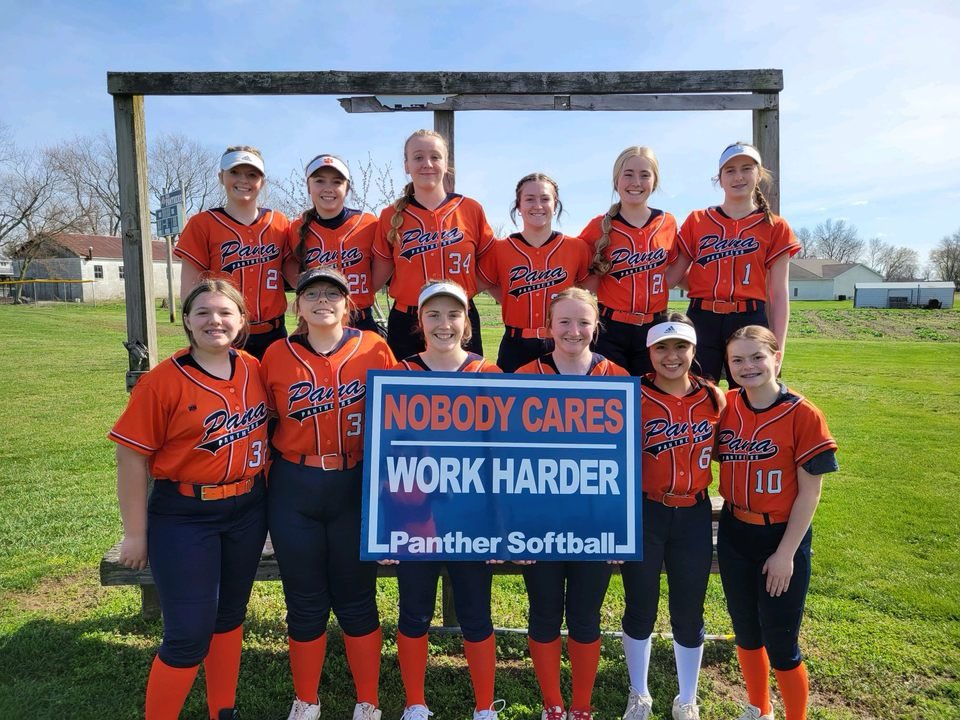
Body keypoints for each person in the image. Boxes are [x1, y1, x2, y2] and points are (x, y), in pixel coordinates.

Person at [109, 279, 269, 720]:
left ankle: (223, 712)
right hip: (184, 514)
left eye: (225, 313)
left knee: (230, 618)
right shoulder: (163, 380)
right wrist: (136, 534)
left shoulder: (255, 368)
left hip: (247, 508)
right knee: (188, 634)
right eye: (202, 313)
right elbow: (130, 458)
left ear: (241, 322)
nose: (214, 321)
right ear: (186, 322)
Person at [259, 267, 396, 720]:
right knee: (304, 598)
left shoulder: (374, 347)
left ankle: (368, 702)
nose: (322, 300)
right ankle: (307, 700)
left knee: (357, 597)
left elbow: (400, 422)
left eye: (333, 293)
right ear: (297, 305)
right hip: (294, 485)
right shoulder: (275, 355)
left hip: (354, 483)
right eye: (312, 292)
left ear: (348, 303)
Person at [389, 280, 504, 720]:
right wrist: (384, 529)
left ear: (468, 323)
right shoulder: (399, 375)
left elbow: (503, 460)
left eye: (454, 314)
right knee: (413, 611)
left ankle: (484, 707)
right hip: (414, 513)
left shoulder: (488, 375)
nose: (444, 324)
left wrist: (499, 526)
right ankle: (416, 704)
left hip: (470, 514)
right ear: (419, 322)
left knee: (476, 612)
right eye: (433, 315)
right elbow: (384, 456)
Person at [516, 288, 628, 720]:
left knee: (585, 615)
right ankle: (553, 704)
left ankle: (582, 704)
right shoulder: (526, 375)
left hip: (594, 522)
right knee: (544, 612)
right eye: (563, 321)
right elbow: (508, 456)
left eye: (583, 321)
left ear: (596, 326)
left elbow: (626, 460)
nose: (573, 330)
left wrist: (620, 527)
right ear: (548, 327)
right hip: (540, 518)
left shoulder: (616, 377)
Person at [716, 326, 838, 720]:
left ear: (777, 358)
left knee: (781, 641)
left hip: (780, 536)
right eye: (738, 359)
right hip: (735, 531)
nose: (747, 366)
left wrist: (785, 554)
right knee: (747, 633)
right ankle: (758, 709)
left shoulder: (803, 413)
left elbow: (810, 492)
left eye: (757, 357)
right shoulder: (727, 405)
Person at [619, 314, 725, 720]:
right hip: (645, 510)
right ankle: (639, 692)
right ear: (649, 352)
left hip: (694, 512)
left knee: (688, 610)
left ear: (694, 350)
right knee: (640, 606)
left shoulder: (715, 398)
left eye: (681, 346)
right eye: (662, 347)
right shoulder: (632, 394)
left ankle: (686, 697)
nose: (671, 356)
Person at [674, 142, 800, 384]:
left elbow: (778, 294)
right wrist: (704, 286)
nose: (738, 176)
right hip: (702, 318)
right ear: (719, 179)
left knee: (750, 394)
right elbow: (674, 274)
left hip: (749, 318)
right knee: (699, 394)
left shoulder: (775, 226)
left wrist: (778, 348)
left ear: (759, 174)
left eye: (746, 168)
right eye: (730, 170)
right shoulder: (698, 220)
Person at [372, 129, 495, 361]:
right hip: (406, 321)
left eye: (435, 157)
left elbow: (490, 269)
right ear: (406, 165)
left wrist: (462, 291)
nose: (427, 163)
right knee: (404, 395)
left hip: (459, 317)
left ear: (446, 163)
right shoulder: (390, 215)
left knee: (466, 393)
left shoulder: (470, 209)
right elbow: (378, 275)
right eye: (418, 157)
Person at [175, 145, 293, 359]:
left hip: (274, 333)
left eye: (252, 174)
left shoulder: (280, 223)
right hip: (224, 332)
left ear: (262, 181)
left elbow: (294, 272)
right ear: (221, 176)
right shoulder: (202, 223)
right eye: (235, 172)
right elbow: (190, 292)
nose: (244, 180)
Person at [580, 146, 685, 376]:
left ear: (654, 182)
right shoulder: (599, 226)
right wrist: (607, 289)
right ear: (616, 180)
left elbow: (676, 267)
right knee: (610, 402)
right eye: (628, 174)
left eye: (645, 175)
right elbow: (577, 270)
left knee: (649, 400)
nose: (636, 181)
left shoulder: (667, 222)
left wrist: (663, 285)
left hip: (654, 326)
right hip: (609, 328)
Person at [478, 172, 590, 372]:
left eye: (545, 199)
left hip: (562, 344)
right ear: (519, 206)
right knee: (511, 402)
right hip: (515, 344)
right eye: (529, 199)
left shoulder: (576, 247)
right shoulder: (501, 248)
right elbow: (484, 283)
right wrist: (511, 300)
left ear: (555, 204)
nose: (537, 205)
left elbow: (588, 289)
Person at [285, 153, 385, 334]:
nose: (328, 188)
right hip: (316, 321)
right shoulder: (296, 228)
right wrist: (306, 289)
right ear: (308, 186)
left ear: (347, 188)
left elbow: (384, 264)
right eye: (320, 181)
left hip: (360, 319)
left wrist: (364, 289)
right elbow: (289, 263)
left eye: (337, 182)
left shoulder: (368, 223)